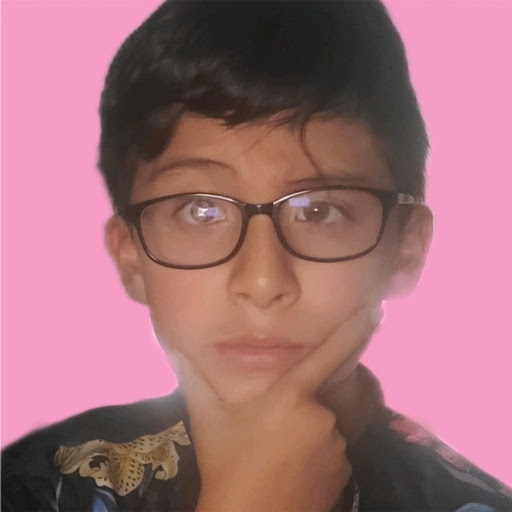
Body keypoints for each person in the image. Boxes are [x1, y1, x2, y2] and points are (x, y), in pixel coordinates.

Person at [2, 1, 511, 511]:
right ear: (131, 255)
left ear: (404, 249)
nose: (263, 282)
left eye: (320, 211)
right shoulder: (35, 487)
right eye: (200, 211)